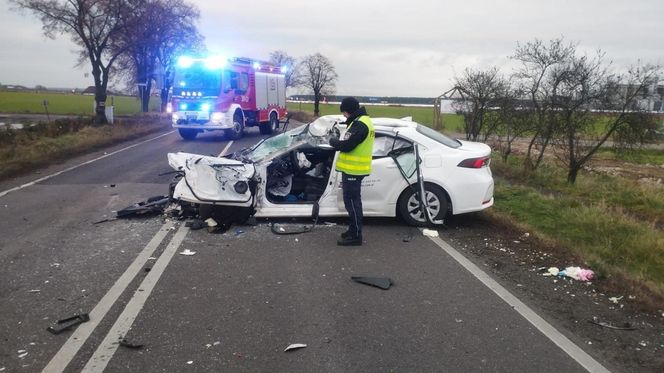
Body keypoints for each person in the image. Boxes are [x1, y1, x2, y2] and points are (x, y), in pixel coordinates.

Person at [329, 97, 375, 246]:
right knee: (352, 202)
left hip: (354, 172)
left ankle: (356, 236)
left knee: (353, 203)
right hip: (353, 171)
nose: (343, 116)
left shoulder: (360, 124)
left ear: (349, 111)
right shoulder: (361, 121)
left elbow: (347, 145)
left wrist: (333, 141)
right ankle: (353, 230)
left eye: (344, 112)